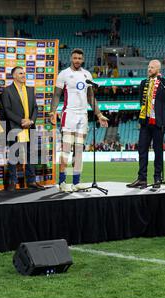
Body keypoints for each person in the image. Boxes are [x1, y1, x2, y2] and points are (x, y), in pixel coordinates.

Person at [49, 48, 108, 192]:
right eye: (74, 58)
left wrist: (99, 115)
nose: (77, 60)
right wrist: (52, 111)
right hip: (69, 115)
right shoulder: (64, 74)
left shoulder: (87, 74)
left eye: (79, 58)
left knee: (79, 150)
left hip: (83, 116)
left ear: (83, 60)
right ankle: (62, 182)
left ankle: (76, 182)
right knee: (66, 150)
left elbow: (91, 97)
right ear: (71, 58)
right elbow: (57, 95)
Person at [127, 60, 165, 189]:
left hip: (159, 123)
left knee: (158, 151)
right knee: (142, 150)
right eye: (148, 67)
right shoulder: (143, 83)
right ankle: (142, 179)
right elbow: (140, 102)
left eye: (152, 67)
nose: (149, 69)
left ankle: (157, 178)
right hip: (145, 122)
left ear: (158, 69)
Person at [1, 66, 45, 192]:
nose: (23, 75)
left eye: (24, 73)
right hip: (15, 127)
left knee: (31, 155)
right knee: (14, 155)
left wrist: (31, 121)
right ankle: (12, 182)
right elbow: (7, 110)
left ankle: (31, 181)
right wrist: (21, 121)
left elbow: (35, 108)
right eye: (20, 73)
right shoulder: (7, 91)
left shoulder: (30, 90)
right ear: (13, 76)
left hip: (30, 127)